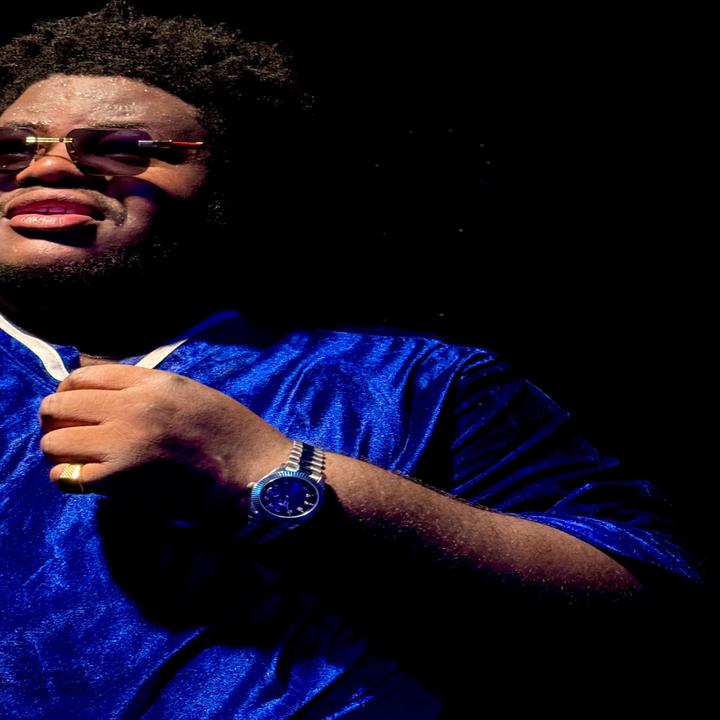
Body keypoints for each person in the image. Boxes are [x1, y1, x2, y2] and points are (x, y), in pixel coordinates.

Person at [0, 3, 705, 718]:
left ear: (234, 183)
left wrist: (270, 474)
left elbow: (655, 612)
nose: (46, 166)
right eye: (10, 149)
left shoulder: (418, 381)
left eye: (120, 148)